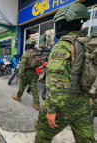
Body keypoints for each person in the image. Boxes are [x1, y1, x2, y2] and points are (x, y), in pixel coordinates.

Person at [35, 3, 96, 143]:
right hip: (85, 104)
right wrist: (91, 96)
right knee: (87, 140)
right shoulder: (90, 44)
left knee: (42, 135)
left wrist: (51, 109)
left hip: (64, 105)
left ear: (63, 24)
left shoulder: (63, 46)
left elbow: (58, 83)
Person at [12, 38, 41, 110]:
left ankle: (18, 97)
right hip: (34, 73)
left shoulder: (26, 54)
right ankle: (37, 104)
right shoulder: (37, 53)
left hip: (26, 73)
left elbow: (22, 66)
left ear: (27, 45)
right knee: (34, 88)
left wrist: (20, 75)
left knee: (22, 86)